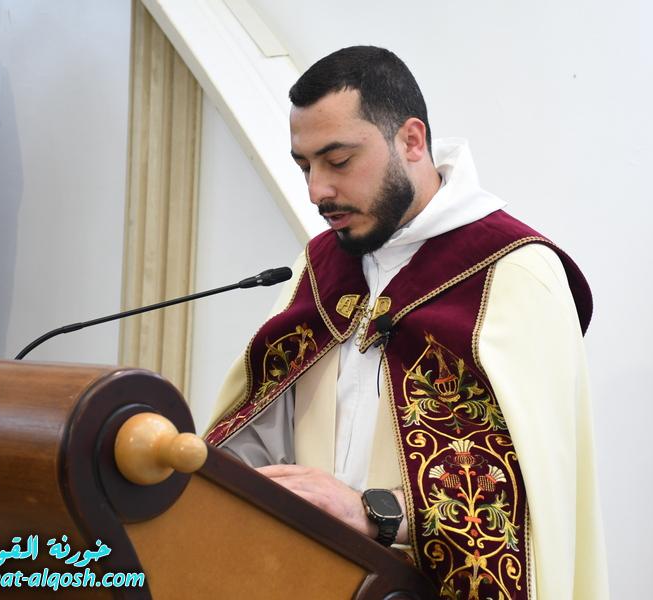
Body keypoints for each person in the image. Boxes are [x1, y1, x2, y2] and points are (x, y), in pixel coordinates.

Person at [204, 46, 608, 599]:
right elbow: (261, 440)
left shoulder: (515, 274)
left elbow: (528, 493)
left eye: (338, 161)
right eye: (305, 166)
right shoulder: (320, 268)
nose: (317, 190)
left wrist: (375, 512)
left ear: (412, 141)